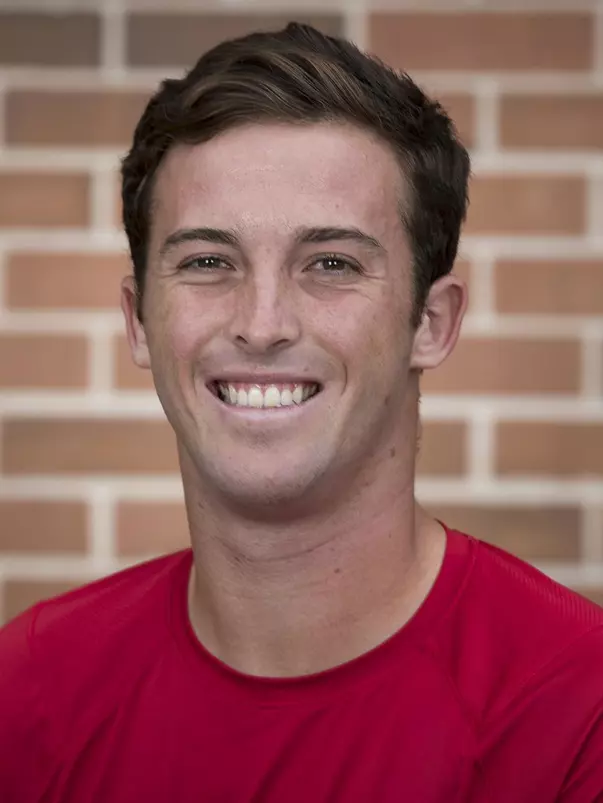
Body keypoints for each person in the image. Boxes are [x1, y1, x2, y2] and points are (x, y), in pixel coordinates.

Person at [1, 22, 602, 803]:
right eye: (208, 261)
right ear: (139, 321)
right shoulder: (31, 691)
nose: (261, 322)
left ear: (431, 321)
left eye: (330, 263)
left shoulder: (575, 709)